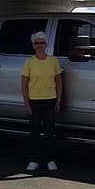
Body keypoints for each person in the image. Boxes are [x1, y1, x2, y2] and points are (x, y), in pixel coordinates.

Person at [21, 31, 63, 172]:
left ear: (46, 45)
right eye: (37, 43)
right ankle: (34, 160)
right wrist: (27, 104)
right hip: (34, 101)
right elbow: (24, 84)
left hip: (50, 100)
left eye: (42, 43)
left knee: (49, 132)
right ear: (33, 46)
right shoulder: (29, 62)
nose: (39, 45)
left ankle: (50, 160)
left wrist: (58, 101)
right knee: (35, 132)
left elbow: (58, 81)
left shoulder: (53, 61)